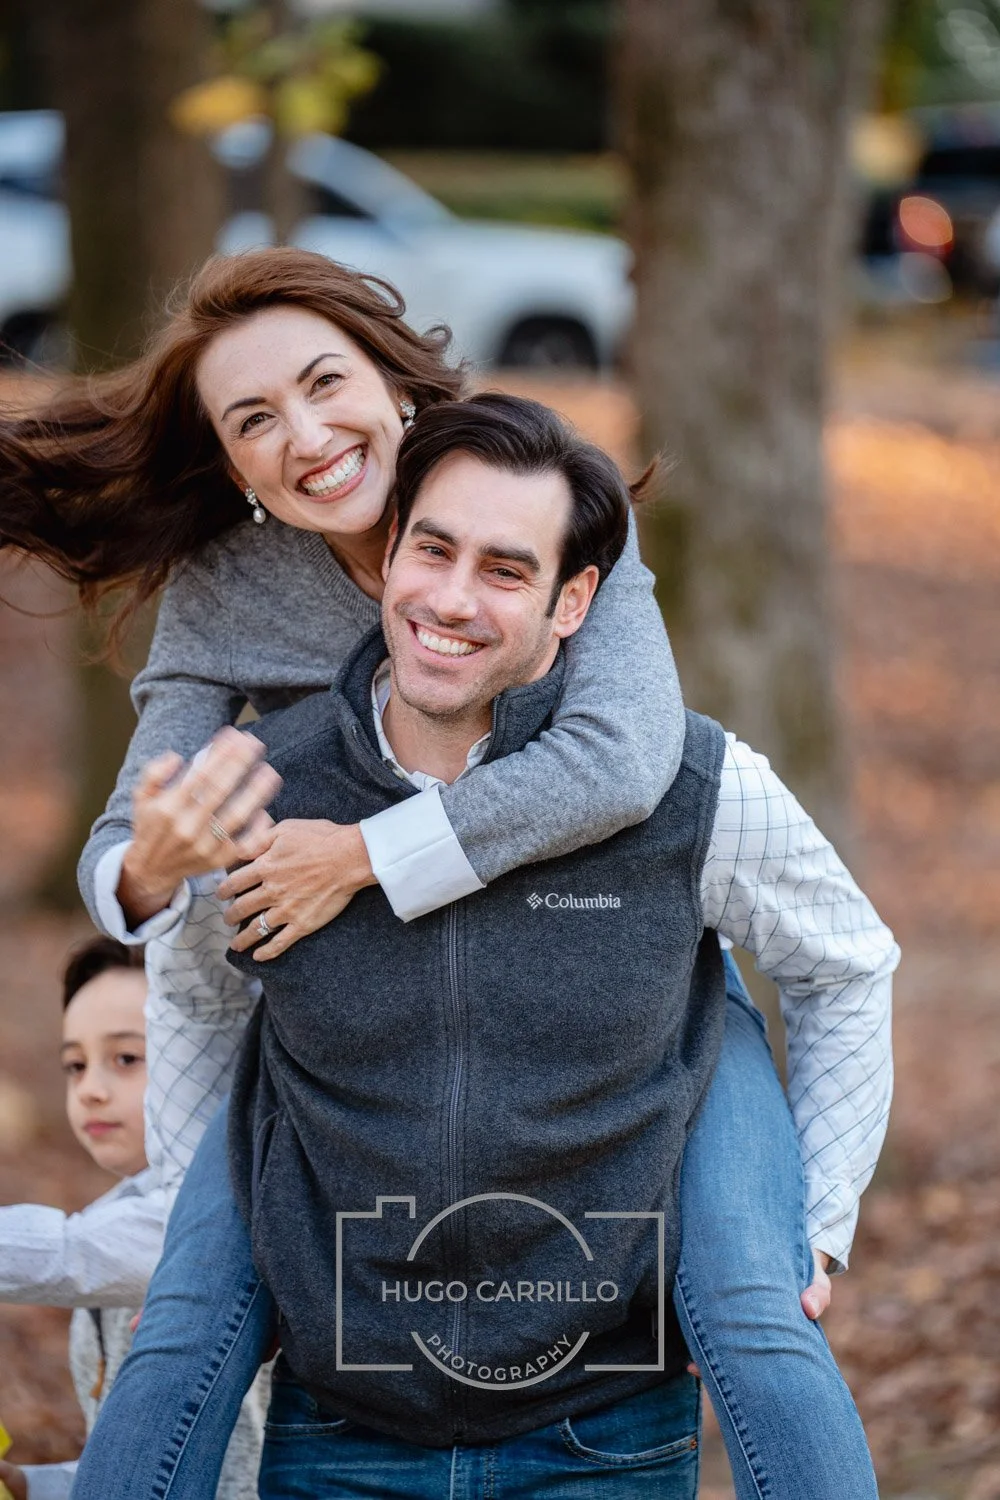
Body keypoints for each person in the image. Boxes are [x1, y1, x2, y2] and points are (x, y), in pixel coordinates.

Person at [0, 251, 884, 1496]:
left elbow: (624, 759)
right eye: (254, 418)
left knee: (752, 1298)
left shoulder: (528, 489)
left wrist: (362, 858)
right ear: (228, 461)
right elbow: (136, 844)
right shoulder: (224, 589)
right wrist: (150, 869)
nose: (305, 435)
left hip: (624, 969)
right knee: (188, 1318)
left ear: (395, 383)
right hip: (357, 996)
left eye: (323, 383)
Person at [0, 937, 262, 1500]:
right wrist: (29, 1484)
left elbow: (71, 1254)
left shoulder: (239, 1212)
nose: (91, 1090)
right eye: (75, 1065)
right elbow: (138, 1466)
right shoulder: (112, 1214)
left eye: (127, 1058)